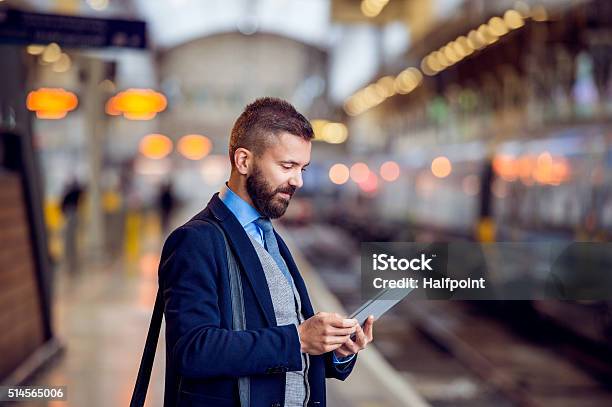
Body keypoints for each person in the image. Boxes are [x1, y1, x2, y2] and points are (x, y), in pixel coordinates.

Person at [159, 97, 374, 407]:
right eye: (287, 166)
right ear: (243, 161)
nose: (298, 180)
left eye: (302, 168)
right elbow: (193, 350)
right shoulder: (195, 241)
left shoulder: (269, 235)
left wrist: (335, 351)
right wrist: (298, 338)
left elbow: (286, 345)